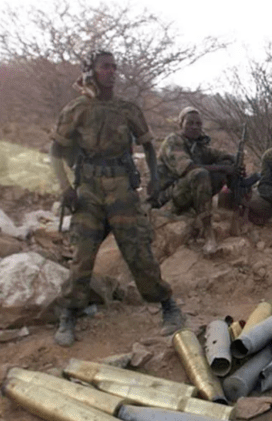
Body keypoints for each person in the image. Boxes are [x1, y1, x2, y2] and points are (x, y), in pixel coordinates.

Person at [49, 50, 185, 347]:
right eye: (104, 67)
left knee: (138, 250)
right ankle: (70, 312)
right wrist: (65, 188)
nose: (111, 71)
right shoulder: (77, 109)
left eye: (114, 67)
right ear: (91, 71)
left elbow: (149, 147)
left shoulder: (128, 109)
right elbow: (55, 153)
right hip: (88, 189)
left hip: (122, 187)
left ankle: (168, 306)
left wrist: (155, 182)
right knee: (82, 252)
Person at [155, 107, 238, 255]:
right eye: (190, 123)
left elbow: (219, 154)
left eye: (198, 124)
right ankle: (208, 233)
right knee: (201, 174)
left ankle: (233, 210)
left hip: (185, 192)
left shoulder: (197, 144)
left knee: (223, 168)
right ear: (181, 124)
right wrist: (222, 168)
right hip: (169, 196)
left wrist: (234, 160)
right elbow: (188, 167)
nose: (195, 127)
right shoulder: (173, 141)